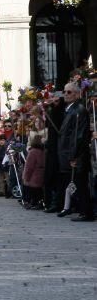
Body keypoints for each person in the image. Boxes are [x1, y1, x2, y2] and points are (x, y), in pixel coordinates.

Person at [56, 83, 94, 221]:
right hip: (69, 153)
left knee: (81, 183)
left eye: (69, 92)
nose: (66, 94)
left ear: (77, 94)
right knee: (75, 182)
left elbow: (79, 135)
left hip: (77, 154)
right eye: (64, 91)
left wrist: (75, 155)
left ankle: (86, 212)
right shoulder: (70, 109)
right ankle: (77, 208)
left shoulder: (79, 110)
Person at [22, 134, 46, 209]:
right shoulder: (43, 151)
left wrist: (26, 177)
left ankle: (32, 203)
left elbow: (29, 166)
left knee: (32, 190)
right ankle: (39, 203)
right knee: (39, 191)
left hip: (33, 175)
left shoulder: (33, 151)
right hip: (41, 174)